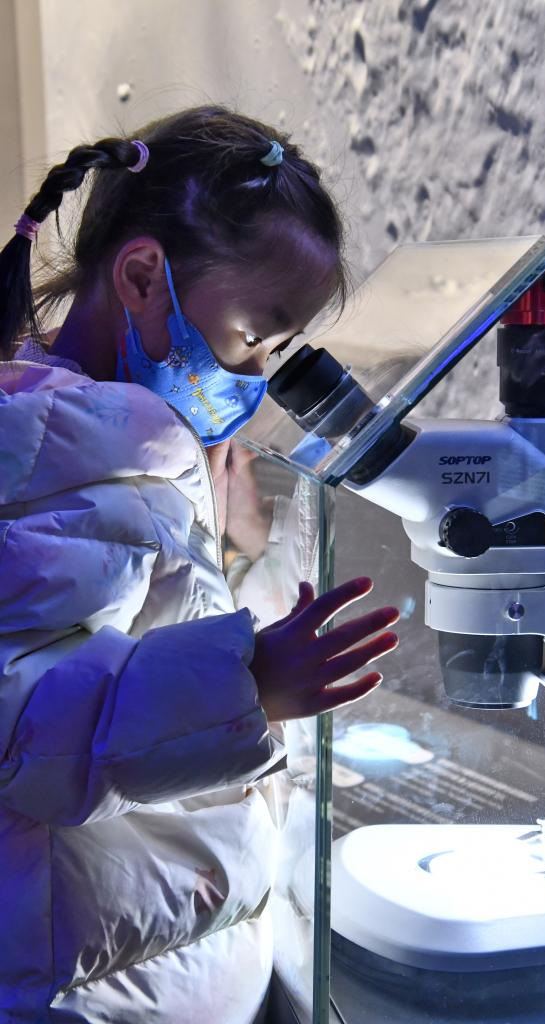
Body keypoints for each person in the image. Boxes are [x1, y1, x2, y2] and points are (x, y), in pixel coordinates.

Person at [0, 106, 399, 1024]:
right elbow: (26, 726)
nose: (255, 376)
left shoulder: (110, 448)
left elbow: (127, 627)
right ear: (143, 276)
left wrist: (236, 547)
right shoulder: (68, 450)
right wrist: (244, 685)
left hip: (136, 970)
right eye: (255, 335)